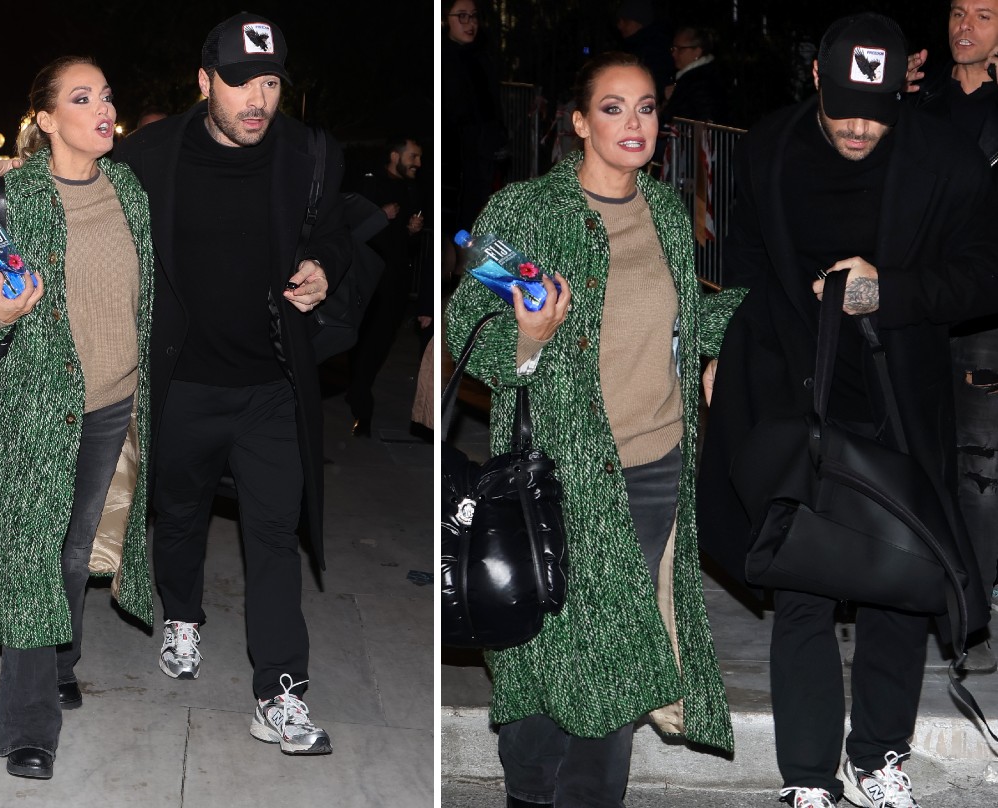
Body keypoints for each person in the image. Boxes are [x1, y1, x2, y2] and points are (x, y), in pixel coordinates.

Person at [0, 11, 349, 758]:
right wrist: (5, 174)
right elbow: (68, 174)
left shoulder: (310, 153)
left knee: (274, 535)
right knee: (173, 518)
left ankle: (280, 691)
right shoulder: (149, 155)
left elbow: (336, 232)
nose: (258, 101)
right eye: (240, 83)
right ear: (205, 82)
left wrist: (324, 268)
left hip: (272, 387)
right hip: (179, 385)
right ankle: (181, 615)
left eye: (271, 83)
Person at [696, 13, 998, 808]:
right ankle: (806, 776)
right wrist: (723, 347)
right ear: (816, 85)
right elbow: (746, 256)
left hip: (901, 402)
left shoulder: (945, 159)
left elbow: (984, 274)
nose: (861, 129)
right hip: (796, 392)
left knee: (898, 579)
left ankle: (879, 758)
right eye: (844, 113)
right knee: (803, 582)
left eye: (878, 113)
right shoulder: (770, 146)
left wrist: (886, 293)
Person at [445, 51, 743, 808]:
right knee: (545, 648)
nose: (633, 123)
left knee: (617, 659)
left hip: (654, 466)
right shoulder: (524, 212)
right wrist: (530, 337)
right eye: (613, 108)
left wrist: (741, 330)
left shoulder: (667, 212)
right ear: (579, 122)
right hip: (557, 474)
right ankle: (529, 790)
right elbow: (464, 328)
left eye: (646, 107)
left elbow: (681, 321)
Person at [0, 55, 155, 780]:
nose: (103, 109)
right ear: (47, 120)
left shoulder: (128, 190)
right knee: (32, 555)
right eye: (82, 98)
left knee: (74, 550)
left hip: (114, 403)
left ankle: (61, 659)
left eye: (107, 95)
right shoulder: (10, 196)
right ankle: (29, 724)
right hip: (33, 408)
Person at [911, 0, 998, 673]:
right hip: (915, 301)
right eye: (958, 12)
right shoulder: (922, 96)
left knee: (980, 467)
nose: (964, 26)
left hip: (984, 312)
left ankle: (973, 619)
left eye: (984, 15)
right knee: (915, 454)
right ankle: (910, 594)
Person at [348, 135, 425, 437]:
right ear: (395, 156)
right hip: (368, 280)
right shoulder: (370, 184)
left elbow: (406, 243)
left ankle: (358, 392)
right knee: (362, 341)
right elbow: (353, 229)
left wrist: (412, 232)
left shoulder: (410, 189)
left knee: (379, 343)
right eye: (413, 156)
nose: (418, 163)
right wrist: (381, 216)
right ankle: (361, 405)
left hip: (395, 282)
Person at [442, 0, 507, 236]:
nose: (470, 23)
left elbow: (493, 105)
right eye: (462, 16)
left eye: (474, 16)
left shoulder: (483, 57)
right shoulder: (442, 59)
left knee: (478, 212)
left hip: (482, 150)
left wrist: (498, 138)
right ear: (444, 20)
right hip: (452, 153)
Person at [661, 25, 730, 125]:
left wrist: (669, 103)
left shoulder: (701, 81)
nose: (673, 54)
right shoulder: (698, 76)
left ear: (697, 52)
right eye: (673, 49)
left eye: (680, 49)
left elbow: (703, 121)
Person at [613, 0, 675, 101]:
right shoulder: (628, 46)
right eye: (619, 21)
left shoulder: (656, 49)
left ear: (640, 23)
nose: (620, 26)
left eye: (626, 21)